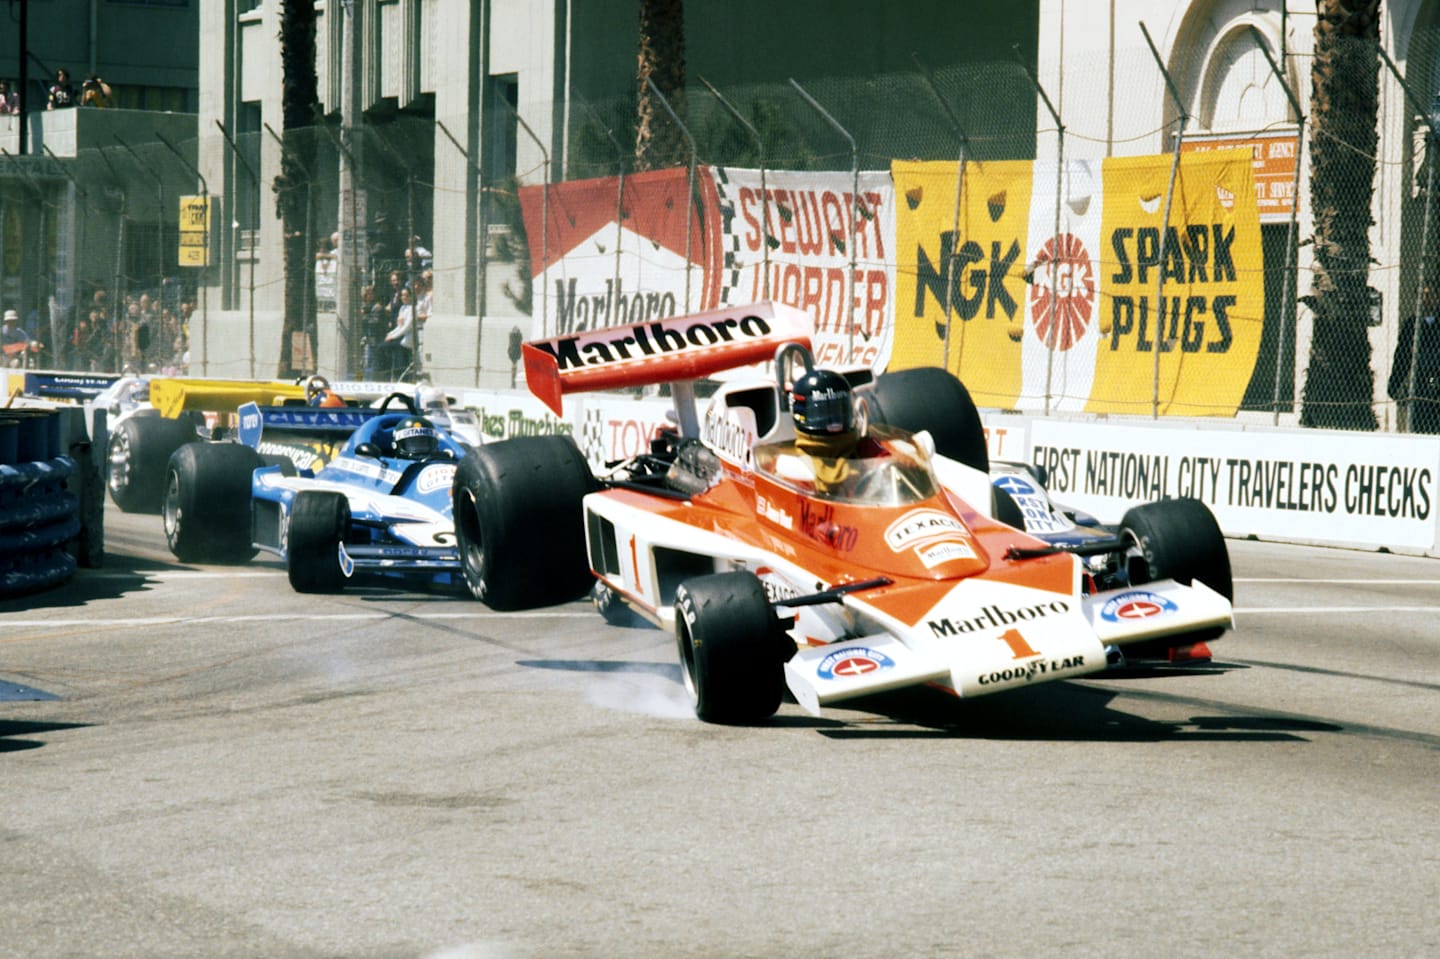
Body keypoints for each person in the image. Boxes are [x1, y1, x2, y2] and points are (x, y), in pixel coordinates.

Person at [790, 368, 881, 491]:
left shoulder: (864, 448)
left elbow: (891, 462)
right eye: (821, 413)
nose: (833, 422)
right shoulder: (791, 467)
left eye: (839, 411)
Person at [1389, 281, 1440, 433]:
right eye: (1421, 295)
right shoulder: (1411, 325)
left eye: (1429, 294)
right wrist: (1394, 386)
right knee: (1419, 426)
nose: (1425, 299)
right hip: (1419, 384)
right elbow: (1402, 357)